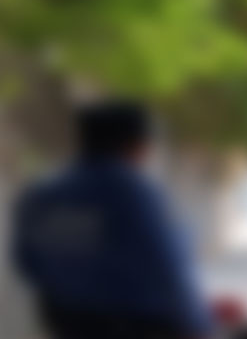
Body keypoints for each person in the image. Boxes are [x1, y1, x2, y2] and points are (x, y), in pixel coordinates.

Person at [12, 102, 213, 339]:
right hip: (135, 323)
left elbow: (27, 262)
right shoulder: (129, 191)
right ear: (135, 144)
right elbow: (167, 267)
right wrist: (199, 325)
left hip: (67, 319)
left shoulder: (41, 194)